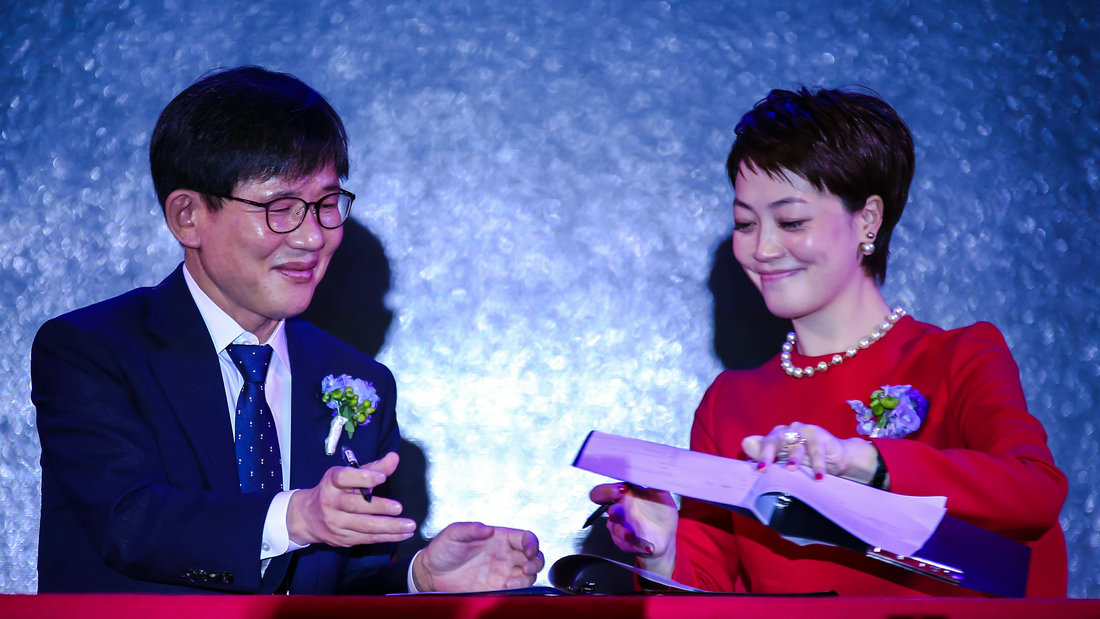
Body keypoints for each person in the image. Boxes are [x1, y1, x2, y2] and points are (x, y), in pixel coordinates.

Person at [32, 66, 543, 594]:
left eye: (326, 205)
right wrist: (296, 516)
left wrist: (419, 577)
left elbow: (344, 579)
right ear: (188, 216)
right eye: (281, 208)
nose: (312, 237)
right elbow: (129, 522)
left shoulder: (359, 380)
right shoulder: (92, 350)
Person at [590, 87, 1067, 597]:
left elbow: (1033, 492)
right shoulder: (728, 403)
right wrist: (661, 549)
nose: (762, 248)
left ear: (868, 220)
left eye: (791, 222)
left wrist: (864, 461)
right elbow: (709, 589)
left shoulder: (957, 356)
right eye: (745, 223)